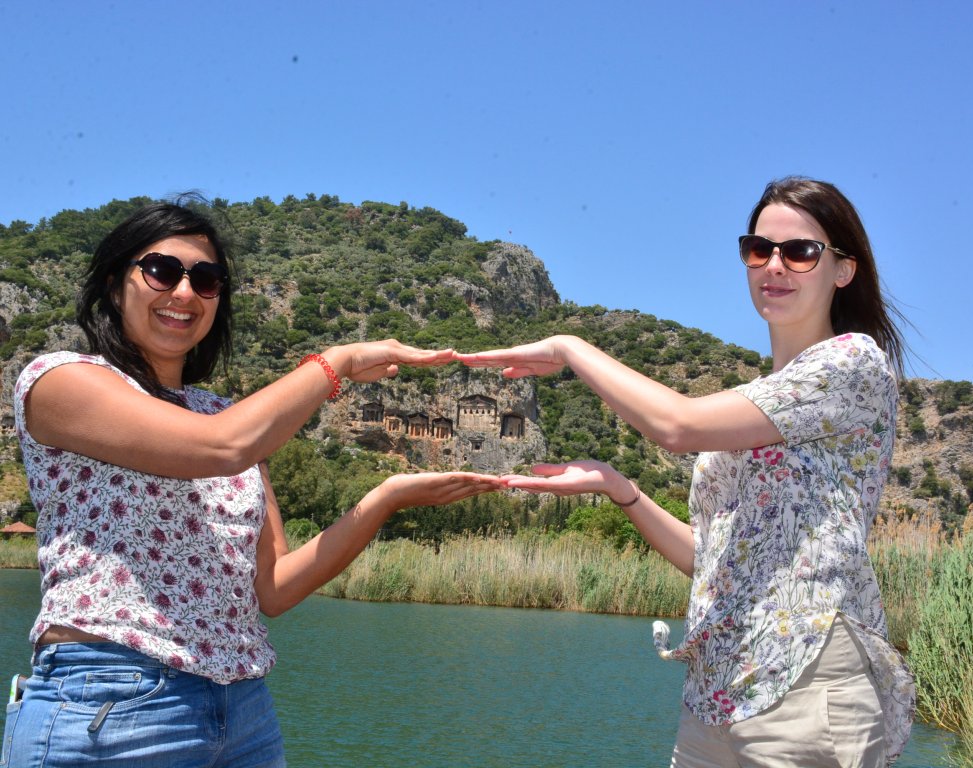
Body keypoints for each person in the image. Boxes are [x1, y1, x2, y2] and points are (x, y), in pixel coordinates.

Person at [5, 199, 502, 767]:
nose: (185, 293)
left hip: (242, 713)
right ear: (117, 286)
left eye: (207, 279)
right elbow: (220, 447)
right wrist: (336, 362)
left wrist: (387, 497)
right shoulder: (60, 381)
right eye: (162, 271)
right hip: (114, 702)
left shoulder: (226, 414)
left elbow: (274, 588)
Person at [456, 177, 915, 767]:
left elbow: (676, 426)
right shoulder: (757, 397)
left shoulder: (852, 363)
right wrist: (618, 488)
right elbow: (712, 559)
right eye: (758, 249)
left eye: (800, 251)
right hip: (714, 695)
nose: (774, 265)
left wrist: (571, 348)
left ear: (842, 270)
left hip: (806, 682)